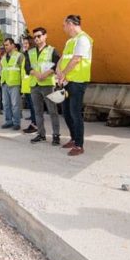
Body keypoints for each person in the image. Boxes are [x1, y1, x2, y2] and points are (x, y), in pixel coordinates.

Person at [56, 15, 93, 156]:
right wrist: (58, 69)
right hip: (66, 81)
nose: (63, 28)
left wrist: (63, 73)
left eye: (64, 25)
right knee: (66, 112)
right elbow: (63, 58)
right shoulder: (70, 41)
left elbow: (76, 59)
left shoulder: (83, 39)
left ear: (71, 24)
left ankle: (79, 145)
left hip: (77, 82)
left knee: (75, 113)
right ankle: (73, 138)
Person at [27, 27, 62, 146]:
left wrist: (45, 74)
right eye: (34, 37)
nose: (36, 39)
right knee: (38, 112)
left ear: (45, 36)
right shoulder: (30, 52)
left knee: (52, 111)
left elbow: (57, 64)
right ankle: (41, 134)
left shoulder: (52, 50)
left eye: (39, 36)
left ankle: (56, 135)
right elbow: (27, 67)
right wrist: (37, 74)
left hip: (47, 84)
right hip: (34, 84)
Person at [0, 39, 23, 130]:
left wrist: (22, 85)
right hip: (5, 83)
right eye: (4, 45)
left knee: (15, 105)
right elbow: (2, 70)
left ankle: (16, 123)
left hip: (15, 83)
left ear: (13, 45)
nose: (5, 47)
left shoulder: (19, 56)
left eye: (7, 45)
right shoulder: (3, 57)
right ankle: (8, 121)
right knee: (6, 104)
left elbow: (22, 70)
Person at [21, 38, 37, 133]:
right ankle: (33, 123)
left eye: (26, 43)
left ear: (31, 43)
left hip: (32, 83)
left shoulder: (33, 54)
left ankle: (35, 125)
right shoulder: (25, 54)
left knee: (34, 107)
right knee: (31, 106)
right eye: (24, 43)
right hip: (26, 84)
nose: (25, 45)